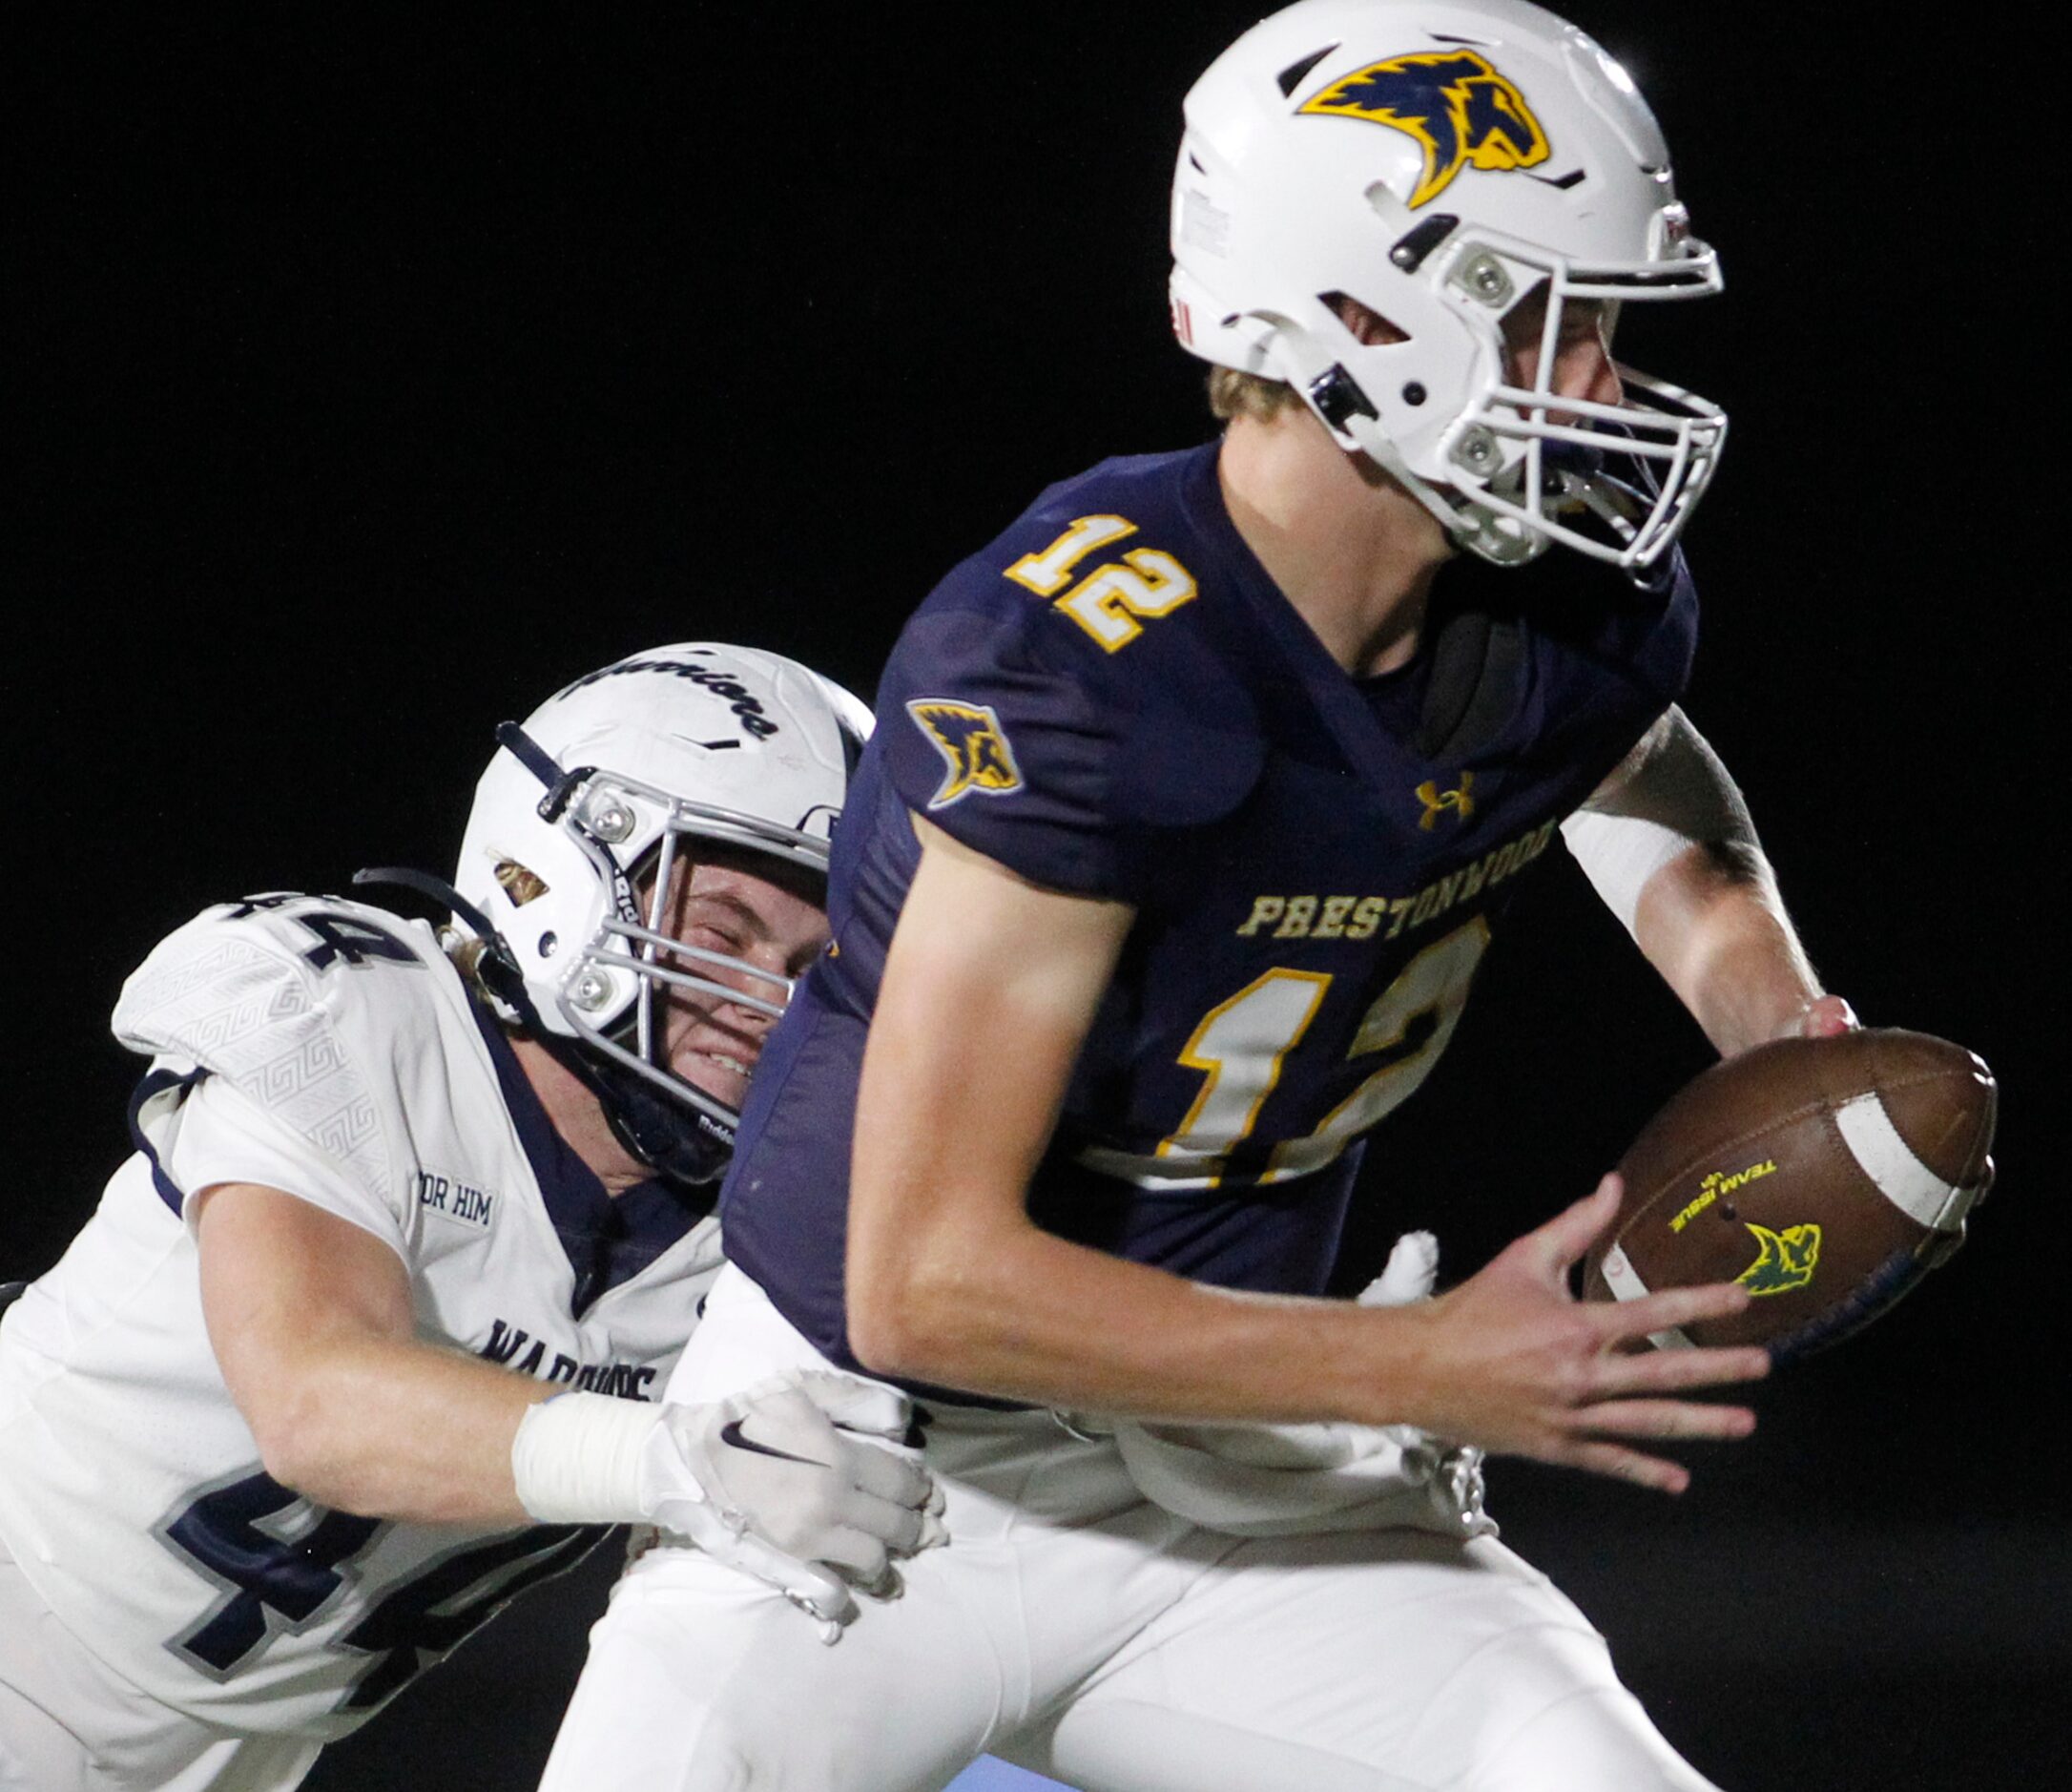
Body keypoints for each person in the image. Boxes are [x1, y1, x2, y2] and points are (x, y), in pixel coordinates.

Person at [542, 5, 1858, 1788]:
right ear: (1362, 321)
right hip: (865, 1467)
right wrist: (1419, 1371)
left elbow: (1631, 757)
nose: (1606, 384)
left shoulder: (1560, 600)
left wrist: (1756, 994)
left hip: (1252, 1477)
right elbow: (925, 1278)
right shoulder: (1080, 671)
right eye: (1555, 318)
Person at [0, 643, 942, 1792]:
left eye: (810, 969)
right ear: (553, 866)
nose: (766, 1005)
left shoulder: (771, 1227)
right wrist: (672, 1459)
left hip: (244, 1757)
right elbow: (318, 1402)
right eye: (728, 931)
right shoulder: (345, 1007)